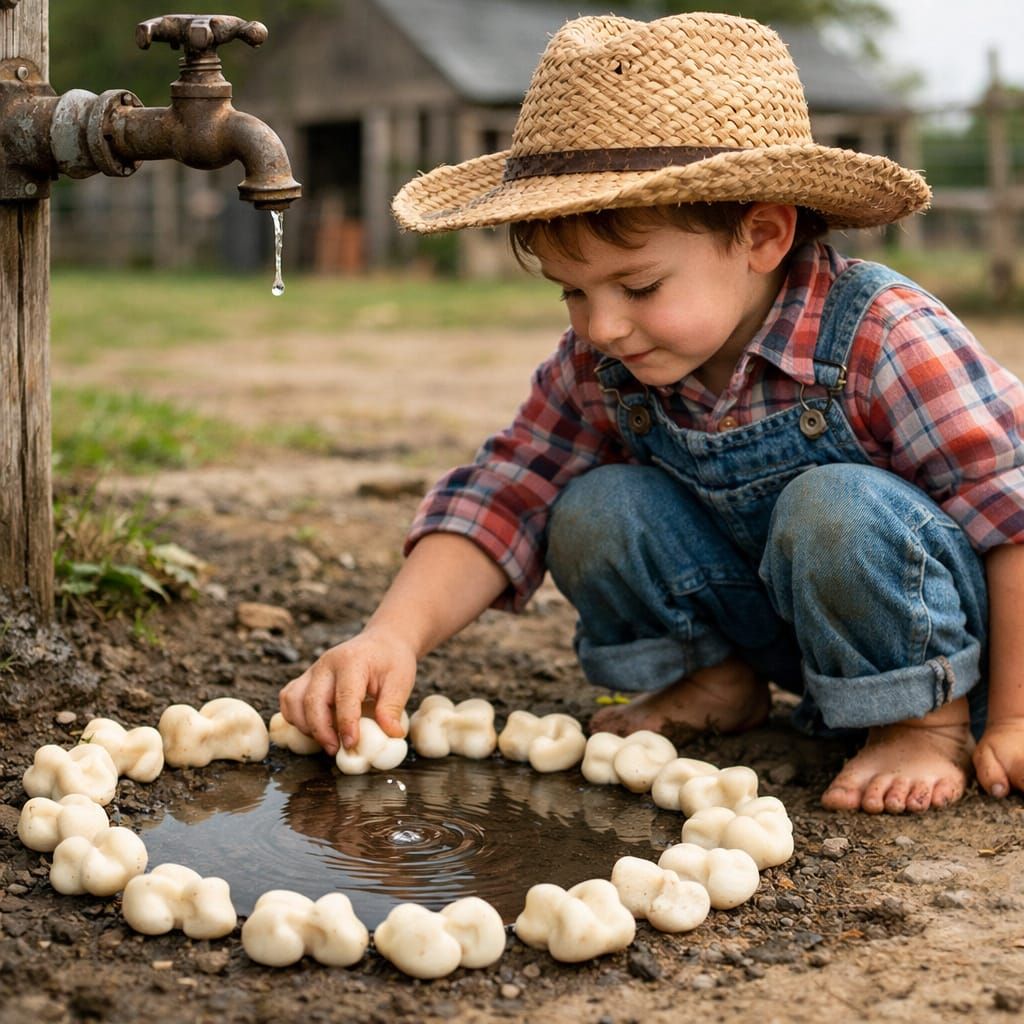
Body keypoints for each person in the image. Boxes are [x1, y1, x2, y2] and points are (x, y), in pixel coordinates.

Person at [280, 11, 1024, 814]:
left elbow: (1011, 514)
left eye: (637, 288)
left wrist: (1016, 715)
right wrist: (391, 635)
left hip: (941, 634)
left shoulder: (885, 335)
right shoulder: (609, 362)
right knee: (595, 505)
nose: (601, 326)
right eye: (573, 291)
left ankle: (921, 723)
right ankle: (709, 680)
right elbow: (510, 489)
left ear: (763, 235)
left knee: (834, 506)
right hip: (784, 626)